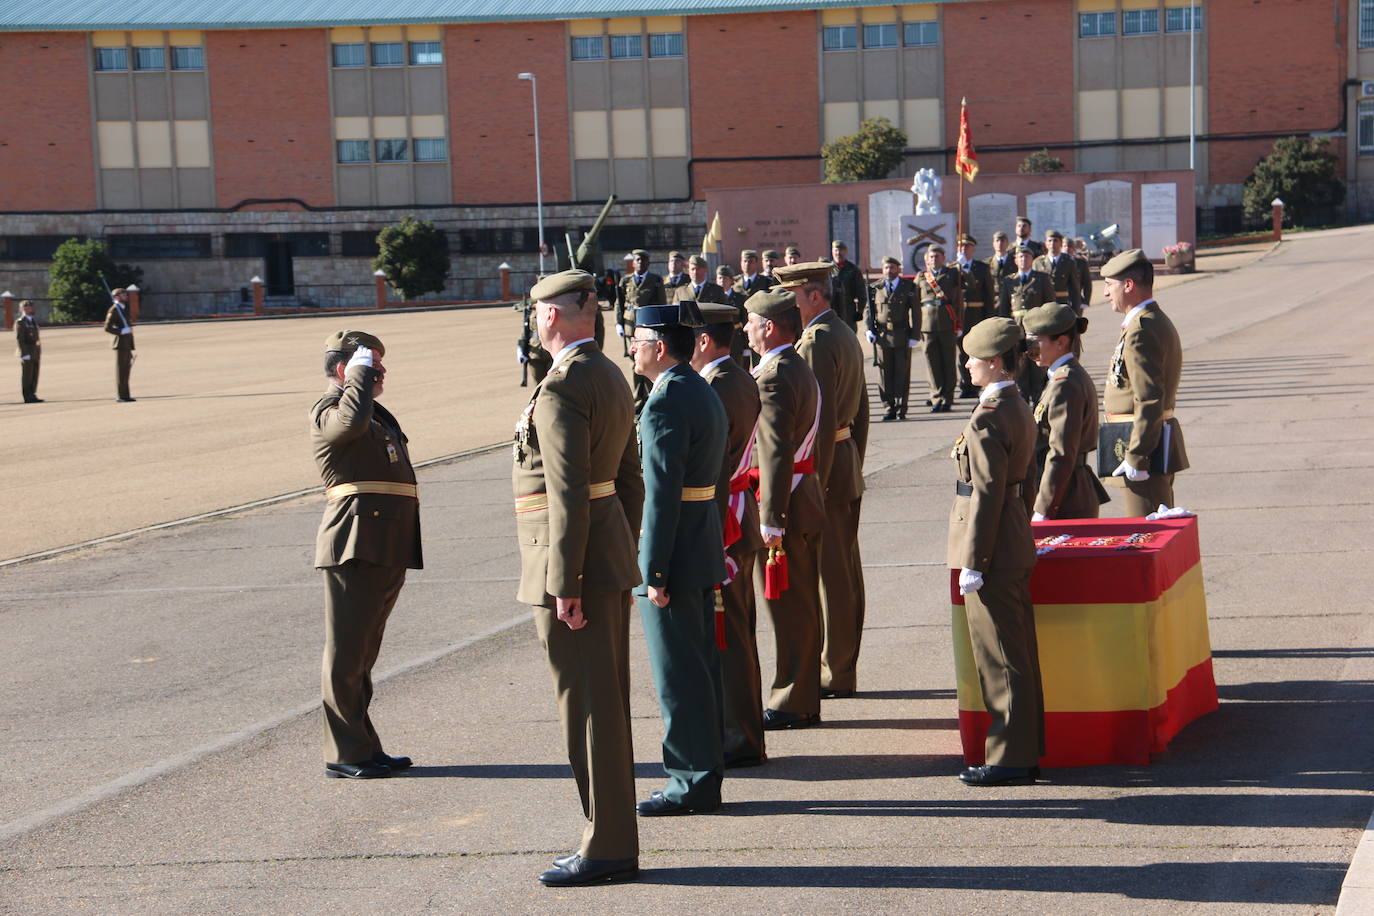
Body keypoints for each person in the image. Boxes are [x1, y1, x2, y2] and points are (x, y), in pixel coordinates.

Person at [514, 269, 644, 887]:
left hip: (572, 565)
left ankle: (607, 844)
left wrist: (565, 581)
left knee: (588, 709)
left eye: (537, 314)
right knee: (604, 703)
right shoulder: (611, 374)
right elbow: (630, 478)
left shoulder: (562, 387)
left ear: (549, 317)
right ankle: (609, 837)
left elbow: (565, 491)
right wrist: (624, 545)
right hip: (604, 554)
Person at [630, 299, 729, 816]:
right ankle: (702, 772)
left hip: (677, 552)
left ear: (659, 347)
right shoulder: (697, 388)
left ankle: (689, 781)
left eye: (638, 342)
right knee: (698, 669)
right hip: (700, 542)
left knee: (678, 676)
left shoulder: (665, 401)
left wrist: (654, 571)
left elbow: (662, 494)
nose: (632, 350)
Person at [311, 330, 422, 781]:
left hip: (384, 542)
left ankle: (364, 745)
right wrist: (356, 377)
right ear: (345, 371)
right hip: (353, 543)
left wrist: (363, 377)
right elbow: (349, 425)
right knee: (346, 653)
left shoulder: (374, 413)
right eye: (371, 367)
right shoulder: (330, 412)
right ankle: (343, 752)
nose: (381, 374)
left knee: (364, 654)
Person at [949, 316, 1044, 786]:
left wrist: (974, 561)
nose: (966, 366)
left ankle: (1009, 756)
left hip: (993, 547)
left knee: (1001, 658)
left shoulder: (990, 415)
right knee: (1017, 654)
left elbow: (985, 492)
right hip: (1011, 538)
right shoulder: (1015, 404)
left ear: (991, 362)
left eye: (971, 359)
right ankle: (1022, 750)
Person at [777, 261, 869, 700]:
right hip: (844, 457)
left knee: (832, 575)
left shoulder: (815, 342)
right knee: (845, 572)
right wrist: (854, 461)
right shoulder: (842, 332)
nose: (786, 305)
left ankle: (837, 670)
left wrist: (819, 479)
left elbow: (822, 417)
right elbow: (861, 409)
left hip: (826, 466)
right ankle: (843, 666)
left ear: (813, 295)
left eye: (792, 295)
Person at [745, 287, 826, 730]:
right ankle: (802, 694)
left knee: (789, 608)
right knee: (801, 607)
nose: (745, 328)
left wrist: (770, 518)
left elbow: (774, 452)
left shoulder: (774, 375)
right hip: (804, 494)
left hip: (786, 503)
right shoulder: (795, 366)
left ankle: (794, 699)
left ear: (769, 327)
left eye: (750, 321)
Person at [691, 302, 765, 768]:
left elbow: (713, 466)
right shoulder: (735, 377)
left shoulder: (718, 386)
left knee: (730, 636)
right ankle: (739, 730)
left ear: (703, 341)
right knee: (735, 632)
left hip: (726, 519)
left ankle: (738, 736)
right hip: (736, 514)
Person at [1100, 249, 1189, 516]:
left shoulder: (1141, 329)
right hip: (1145, 442)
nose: (1105, 293)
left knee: (1146, 533)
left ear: (1128, 285)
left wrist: (1137, 455)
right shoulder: (1148, 321)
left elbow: (1149, 398)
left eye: (1109, 285)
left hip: (1142, 448)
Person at [1023, 303, 1109, 520]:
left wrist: (1044, 507)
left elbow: (1061, 452)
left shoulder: (1065, 382)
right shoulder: (1062, 376)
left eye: (1035, 341)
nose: (1028, 348)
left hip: (1066, 496)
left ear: (1061, 342)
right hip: (1065, 489)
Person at [999, 246, 1055, 406]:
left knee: (1038, 372)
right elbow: (1004, 310)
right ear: (1016, 260)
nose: (1024, 259)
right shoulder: (1009, 281)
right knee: (1020, 373)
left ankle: (1039, 409)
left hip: (1036, 332)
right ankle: (1023, 409)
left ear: (1032, 260)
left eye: (1027, 257)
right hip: (1017, 333)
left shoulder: (1042, 279)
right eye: (1020, 257)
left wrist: (1048, 331)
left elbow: (1049, 306)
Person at [867, 256, 918, 421]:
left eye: (892, 268)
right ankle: (888, 408)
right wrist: (869, 329)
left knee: (902, 372)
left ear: (898, 269)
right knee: (884, 374)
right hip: (882, 337)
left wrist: (915, 335)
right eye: (886, 268)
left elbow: (916, 313)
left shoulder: (908, 287)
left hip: (902, 335)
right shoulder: (875, 288)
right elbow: (870, 312)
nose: (889, 271)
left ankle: (901, 407)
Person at [915, 245, 963, 413]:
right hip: (927, 326)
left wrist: (959, 323)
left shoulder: (952, 274)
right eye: (931, 257)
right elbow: (914, 304)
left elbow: (959, 300)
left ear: (943, 258)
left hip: (947, 323)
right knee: (932, 363)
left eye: (937, 256)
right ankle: (936, 396)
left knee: (948, 362)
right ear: (927, 260)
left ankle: (948, 398)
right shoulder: (921, 277)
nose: (934, 259)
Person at [618, 249, 667, 410]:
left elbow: (661, 304)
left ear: (648, 263)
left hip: (648, 328)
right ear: (633, 263)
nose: (640, 263)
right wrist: (618, 323)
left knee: (649, 362)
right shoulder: (625, 281)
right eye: (637, 260)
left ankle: (651, 396)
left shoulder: (656, 280)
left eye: (643, 260)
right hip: (630, 328)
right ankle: (639, 400)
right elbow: (619, 303)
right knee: (635, 363)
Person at [956, 234, 997, 399]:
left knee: (977, 351)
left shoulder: (981, 268)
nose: (964, 250)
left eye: (967, 247)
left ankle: (977, 384)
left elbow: (988, 294)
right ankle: (965, 385)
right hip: (958, 316)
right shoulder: (953, 267)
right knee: (961, 352)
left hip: (977, 314)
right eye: (960, 247)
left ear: (973, 249)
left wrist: (989, 318)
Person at [1033, 230, 1082, 312]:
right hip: (1044, 306)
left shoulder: (1069, 262)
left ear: (1061, 243)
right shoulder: (1038, 262)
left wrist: (1076, 311)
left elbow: (1075, 289)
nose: (1052, 243)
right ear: (1046, 243)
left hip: (1063, 304)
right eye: (1050, 241)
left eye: (1055, 241)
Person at [104, 287, 136, 402]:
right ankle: (122, 395)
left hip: (127, 343)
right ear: (117, 297)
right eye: (123, 295)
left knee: (126, 369)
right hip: (120, 343)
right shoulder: (114, 310)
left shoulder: (123, 309)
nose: (126, 297)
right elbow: (107, 327)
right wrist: (121, 331)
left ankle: (126, 395)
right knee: (121, 370)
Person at [830, 239, 866, 332]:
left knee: (849, 340)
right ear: (832, 251)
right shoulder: (828, 269)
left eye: (841, 250)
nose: (838, 253)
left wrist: (859, 311)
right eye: (836, 250)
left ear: (845, 251)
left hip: (848, 312)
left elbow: (861, 293)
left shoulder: (853, 270)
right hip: (832, 312)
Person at [517, 302, 553, 384]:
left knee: (553, 383)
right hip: (534, 354)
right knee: (538, 384)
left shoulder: (554, 309)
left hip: (551, 353)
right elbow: (525, 333)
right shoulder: (531, 312)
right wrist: (521, 349)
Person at [15, 299, 41, 403]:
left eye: (32, 307)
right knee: (27, 375)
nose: (33, 309)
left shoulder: (33, 321)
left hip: (35, 351)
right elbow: (20, 339)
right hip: (27, 352)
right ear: (24, 309)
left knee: (34, 373)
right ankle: (27, 396)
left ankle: (33, 394)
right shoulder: (21, 322)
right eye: (30, 307)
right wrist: (24, 353)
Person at [986, 231, 1017, 305]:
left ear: (1007, 244)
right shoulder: (987, 263)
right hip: (993, 302)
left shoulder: (1015, 262)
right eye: (997, 241)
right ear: (993, 244)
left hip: (1011, 300)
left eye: (1002, 241)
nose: (1000, 243)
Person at [1070, 238, 1094, 307]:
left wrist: (1086, 301)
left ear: (1074, 249)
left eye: (1070, 247)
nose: (1067, 249)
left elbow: (1087, 284)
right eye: (1064, 246)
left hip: (1076, 302)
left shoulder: (1081, 263)